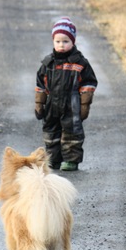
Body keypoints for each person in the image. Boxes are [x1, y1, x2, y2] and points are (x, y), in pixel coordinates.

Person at [35, 17, 98, 171]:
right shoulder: (48, 63)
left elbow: (88, 83)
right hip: (52, 104)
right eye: (58, 41)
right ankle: (53, 160)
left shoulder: (80, 63)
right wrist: (39, 103)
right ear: (53, 42)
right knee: (51, 132)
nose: (61, 45)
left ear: (73, 42)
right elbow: (40, 84)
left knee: (72, 133)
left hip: (72, 104)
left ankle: (71, 160)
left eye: (65, 41)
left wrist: (84, 104)